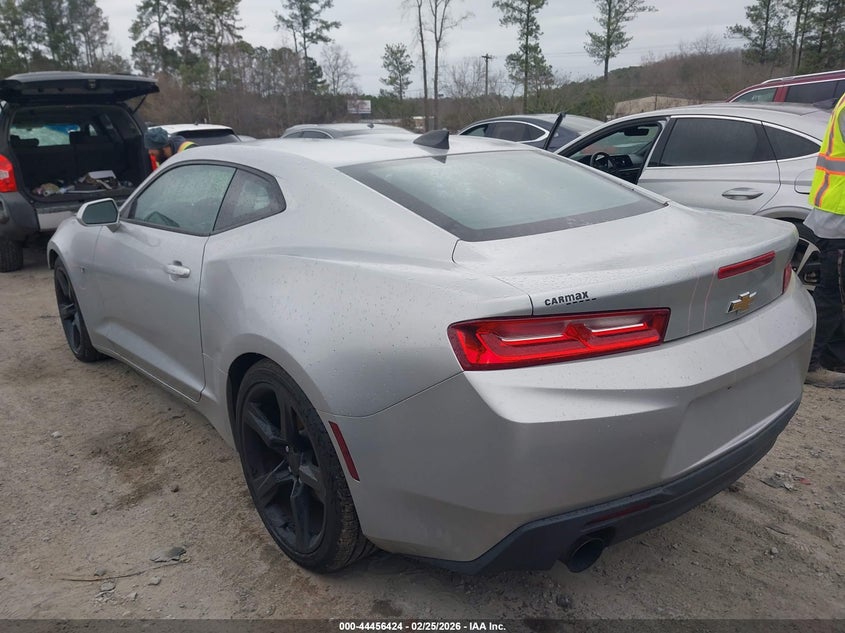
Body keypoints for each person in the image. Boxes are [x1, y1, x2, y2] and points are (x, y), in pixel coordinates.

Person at [804, 92, 845, 388]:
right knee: (832, 297)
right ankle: (811, 364)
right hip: (839, 219)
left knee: (835, 296)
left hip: (835, 214)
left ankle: (833, 358)